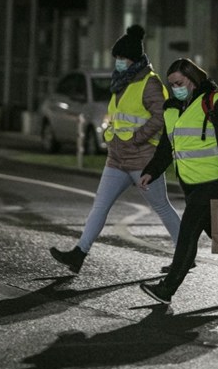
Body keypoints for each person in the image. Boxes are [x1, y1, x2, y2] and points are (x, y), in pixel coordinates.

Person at [49, 25, 181, 274]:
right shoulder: (122, 82)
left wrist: (136, 138)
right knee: (100, 205)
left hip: (143, 158)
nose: (118, 62)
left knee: (161, 206)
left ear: (133, 58)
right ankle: (79, 254)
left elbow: (161, 116)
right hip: (117, 158)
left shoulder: (149, 83)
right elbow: (116, 116)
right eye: (117, 58)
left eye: (122, 58)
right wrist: (111, 137)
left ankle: (185, 255)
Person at [138, 58, 218, 304]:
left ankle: (167, 289)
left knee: (187, 234)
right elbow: (167, 145)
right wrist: (151, 171)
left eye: (179, 82)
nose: (175, 87)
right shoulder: (171, 108)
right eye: (172, 84)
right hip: (191, 182)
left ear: (193, 79)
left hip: (214, 180)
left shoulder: (214, 101)